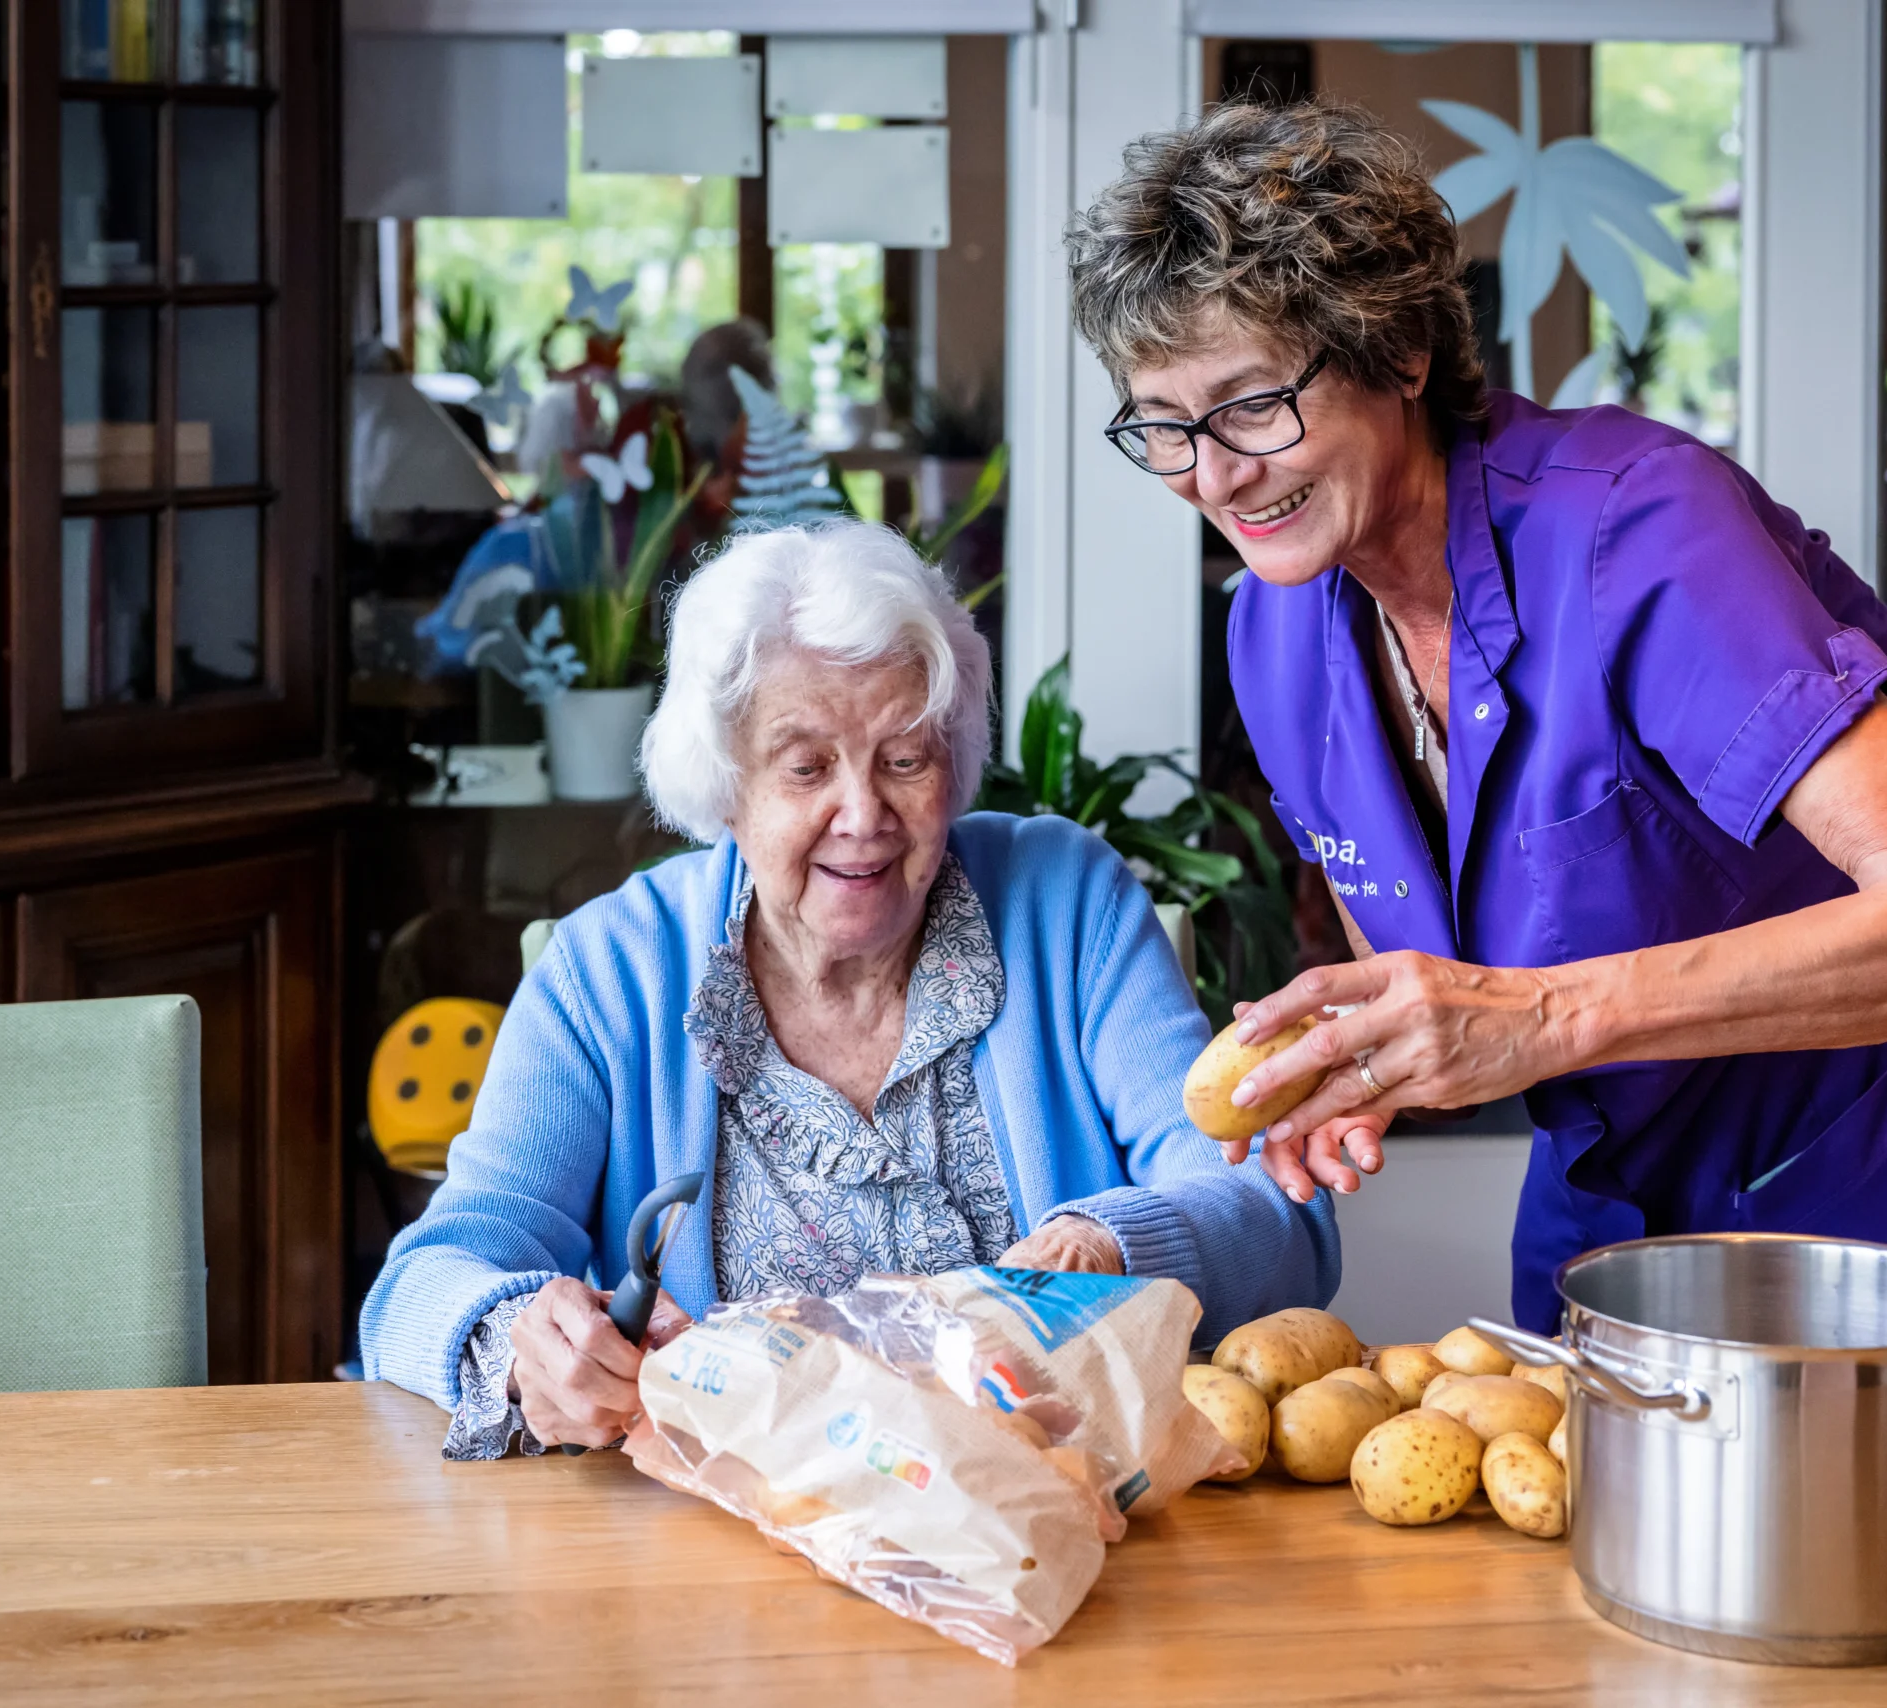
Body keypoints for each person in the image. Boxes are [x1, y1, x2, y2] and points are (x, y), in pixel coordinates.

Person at [1065, 101, 1887, 1329]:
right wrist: (1364, 1063)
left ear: (1395, 349)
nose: (1214, 474)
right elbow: (1438, 974)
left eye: (1250, 405)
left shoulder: (1637, 529)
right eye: (1165, 425)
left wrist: (1537, 1019)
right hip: (1616, 1156)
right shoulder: (1274, 633)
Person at [360, 520, 1337, 1452]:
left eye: (903, 757)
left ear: (951, 765)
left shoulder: (1068, 904)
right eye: (806, 766)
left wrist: (1110, 1242)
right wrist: (524, 1341)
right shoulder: (610, 969)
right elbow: (422, 1284)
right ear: (725, 782)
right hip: (716, 1538)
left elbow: (1274, 1207)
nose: (862, 813)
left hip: (1058, 1514)